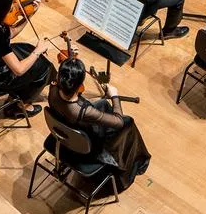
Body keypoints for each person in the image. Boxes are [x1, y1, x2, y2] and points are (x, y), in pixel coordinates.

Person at [47, 56, 151, 191]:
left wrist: (72, 59)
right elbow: (118, 122)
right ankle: (137, 160)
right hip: (85, 146)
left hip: (63, 130)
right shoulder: (81, 110)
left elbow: (67, 75)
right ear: (80, 85)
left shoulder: (53, 87)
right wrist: (115, 96)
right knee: (127, 122)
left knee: (102, 103)